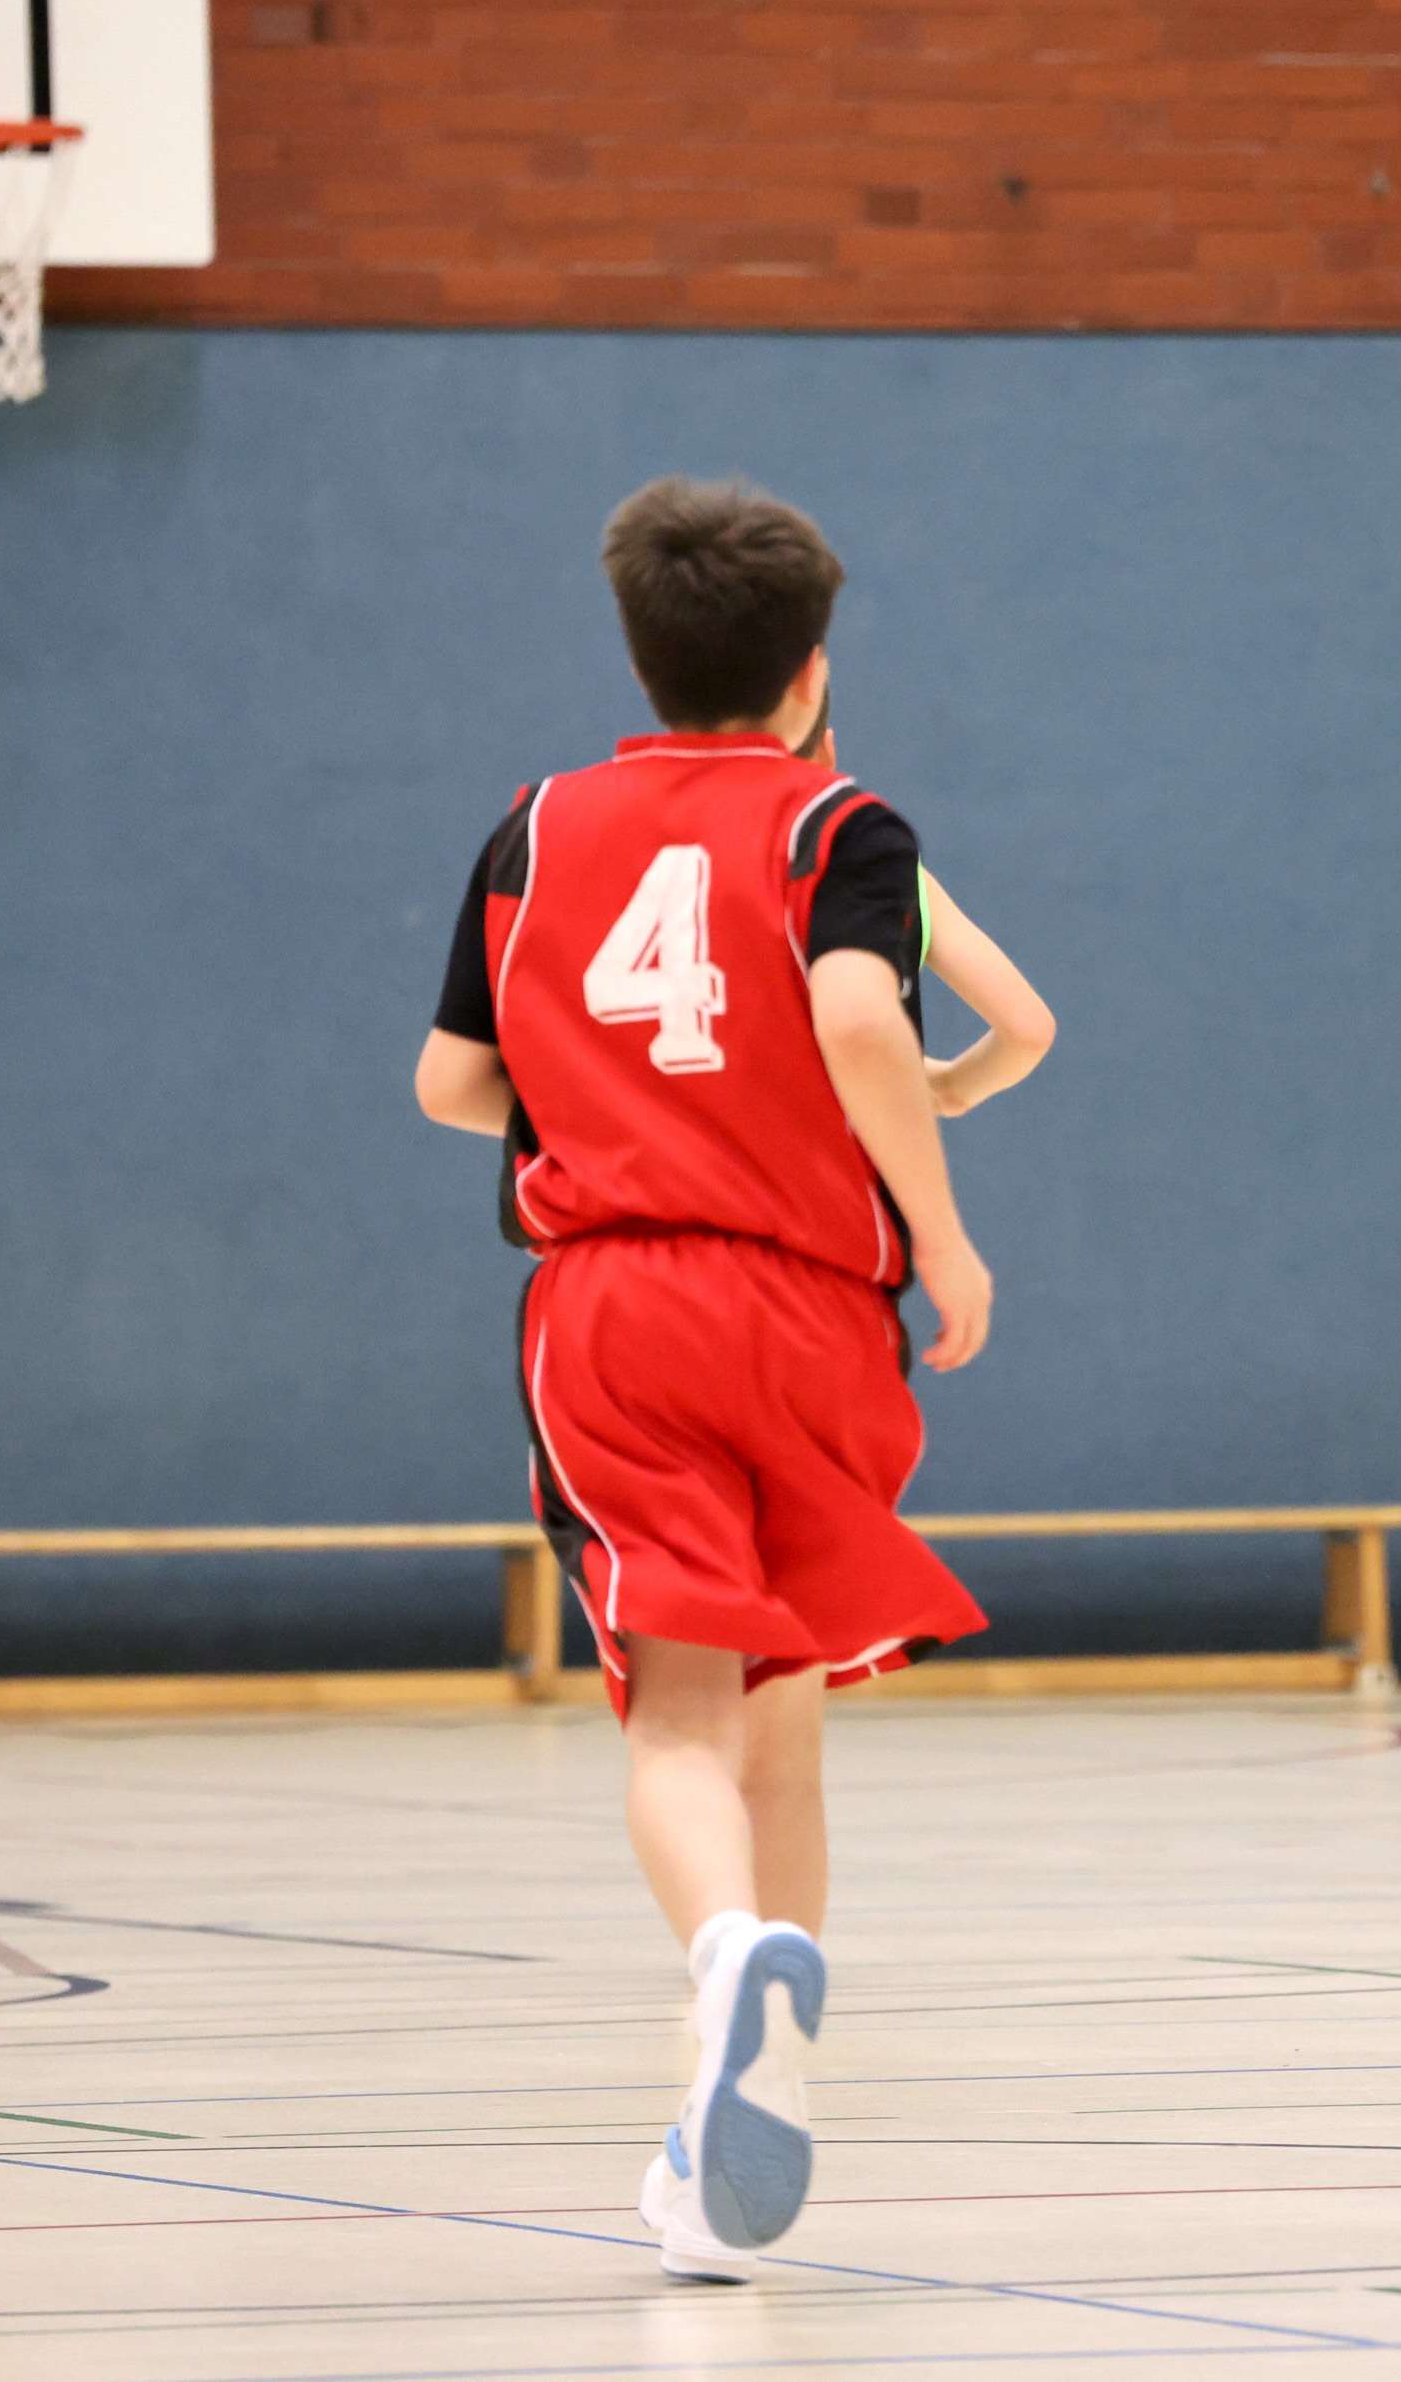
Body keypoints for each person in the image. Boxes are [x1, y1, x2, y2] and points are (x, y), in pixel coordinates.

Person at [411, 477, 1053, 2275]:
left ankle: (724, 1963)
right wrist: (941, 1228)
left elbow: (449, 1084)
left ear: (640, 657)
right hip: (813, 1314)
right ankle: (733, 2128)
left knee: (676, 1716)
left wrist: (606, 1094)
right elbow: (871, 1018)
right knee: (788, 1722)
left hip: (620, 1306)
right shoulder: (845, 825)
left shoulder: (537, 825)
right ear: (809, 671)